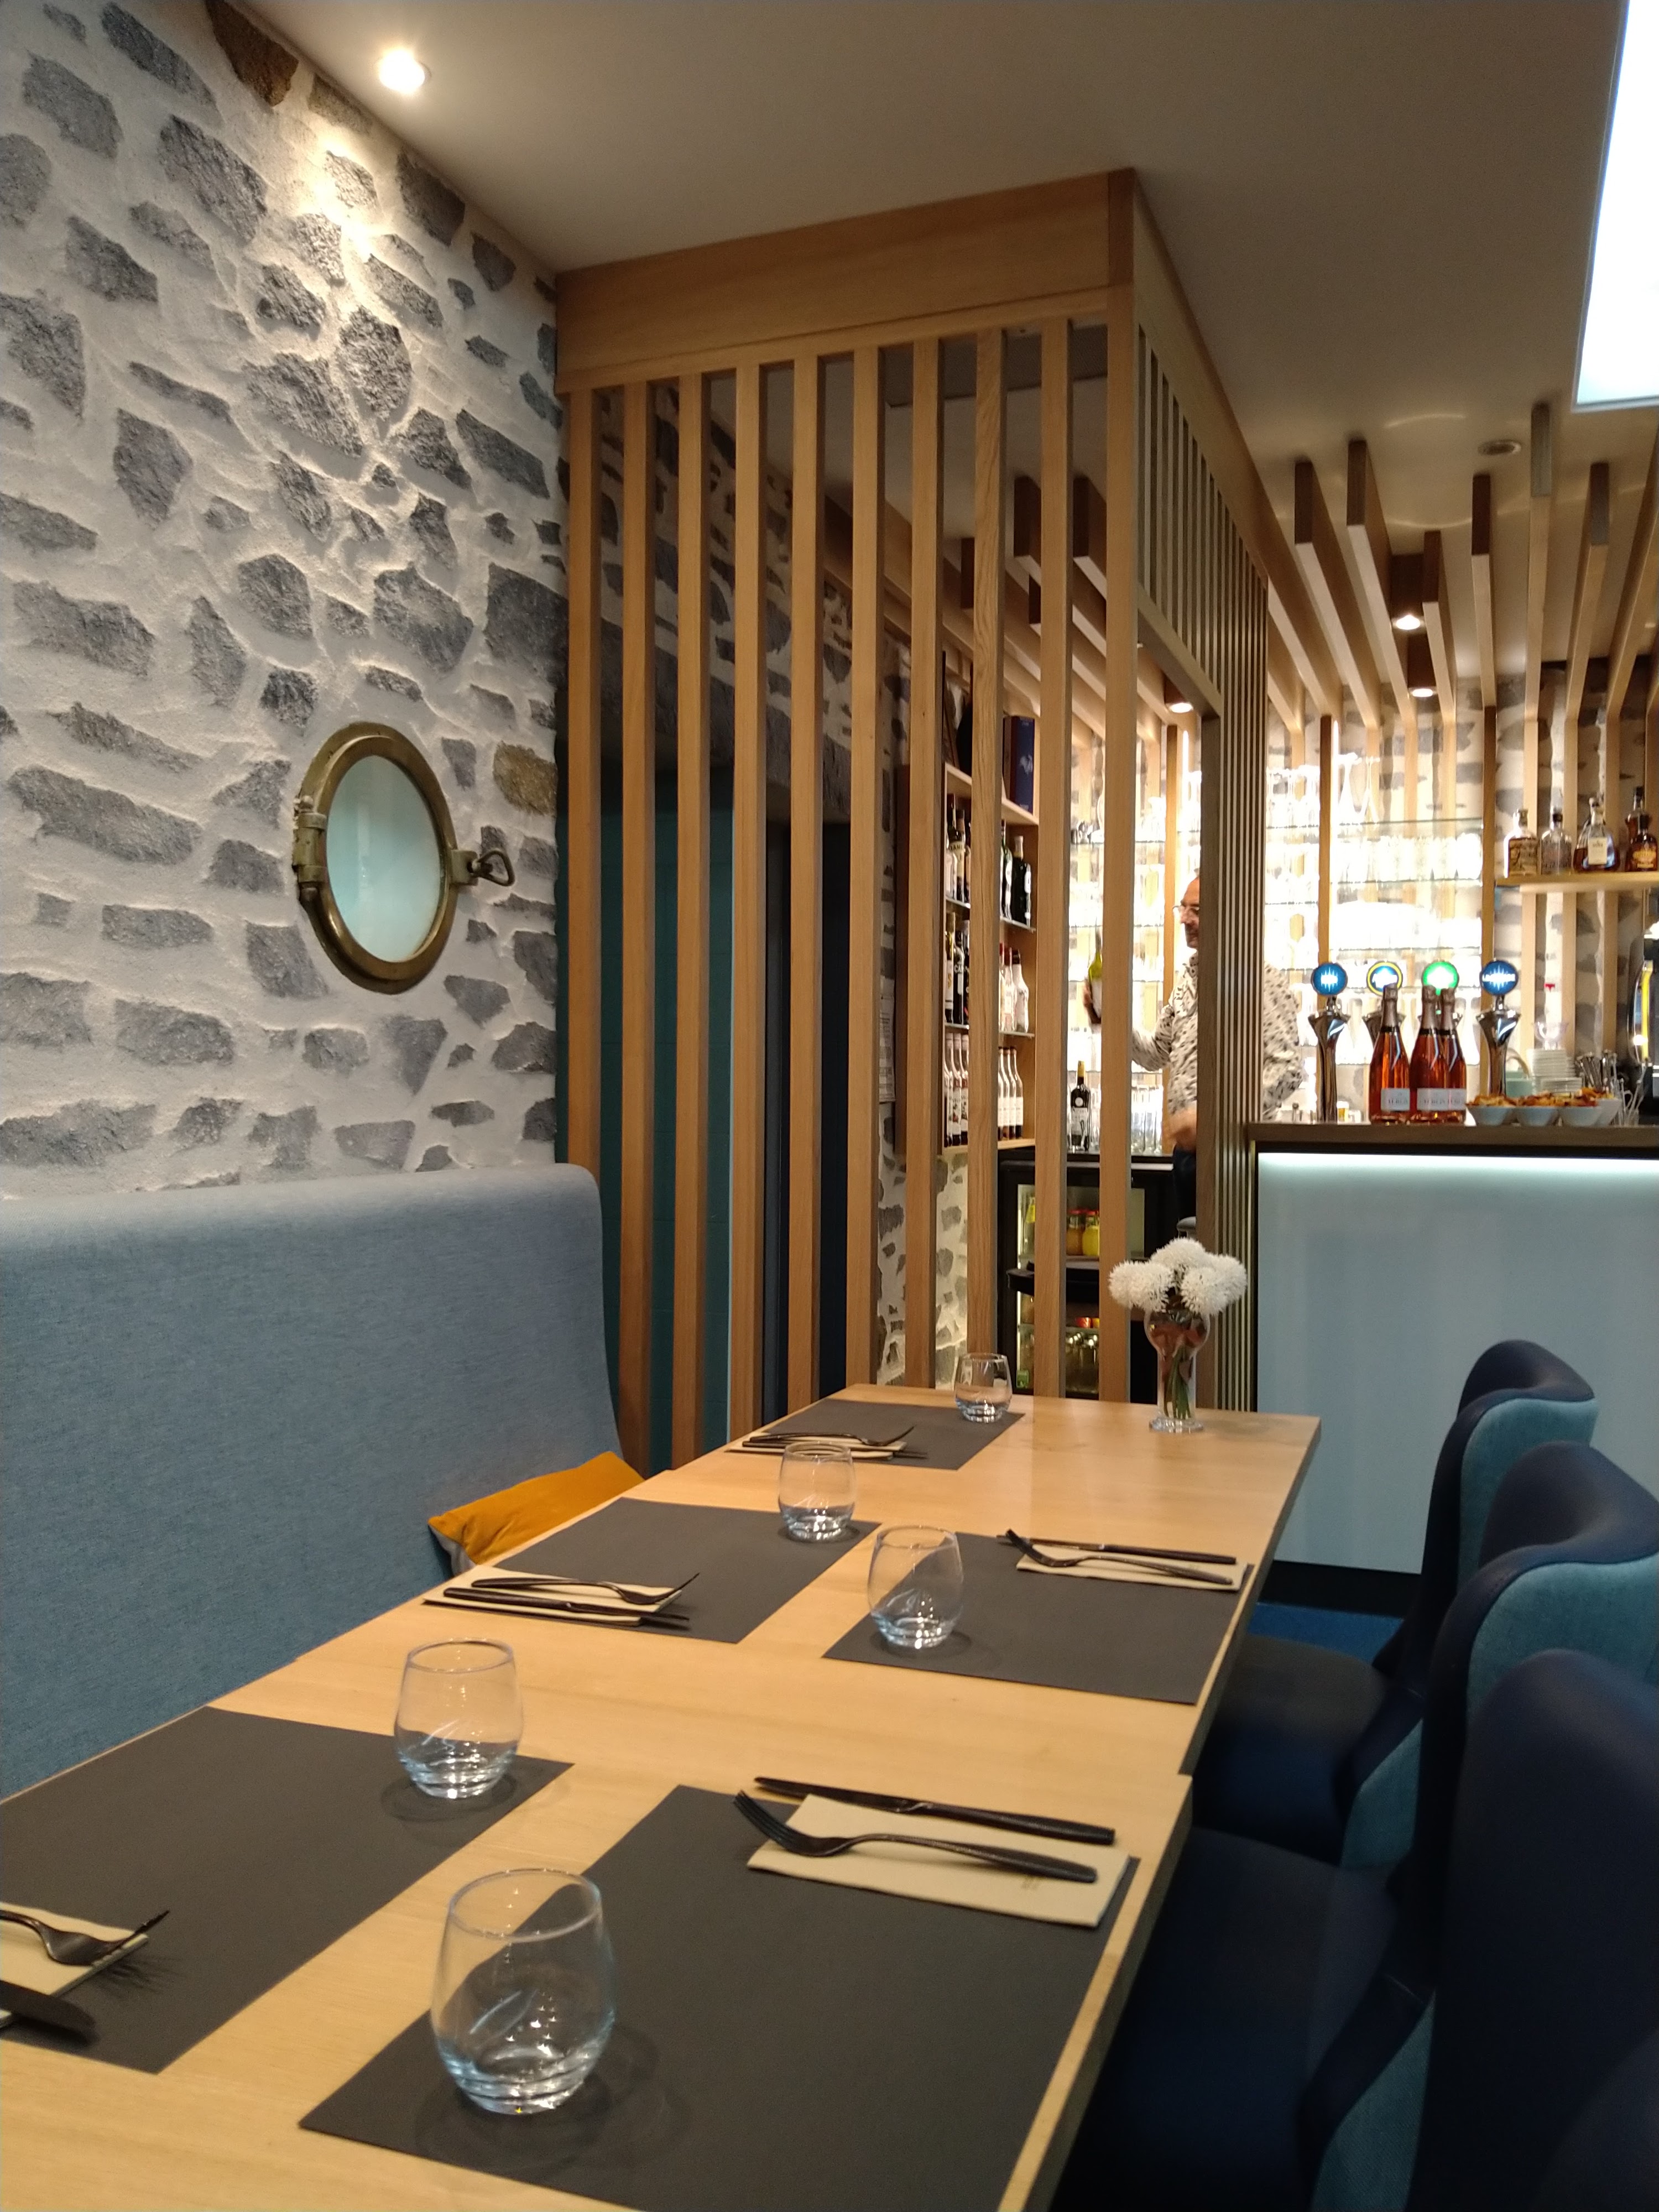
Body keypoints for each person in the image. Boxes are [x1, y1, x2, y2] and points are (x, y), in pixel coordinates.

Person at [1133, 874, 1303, 1214]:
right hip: (1187, 1158)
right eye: (1183, 908)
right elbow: (1156, 1054)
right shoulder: (1188, 980)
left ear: (1228, 914)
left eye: (1196, 910)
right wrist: (1111, 1020)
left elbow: (1288, 1070)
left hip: (1232, 1155)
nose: (1185, 919)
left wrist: (1213, 1121)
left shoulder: (1259, 979)